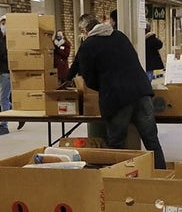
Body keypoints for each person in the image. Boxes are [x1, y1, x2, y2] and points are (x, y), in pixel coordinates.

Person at [68, 13, 167, 169]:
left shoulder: (88, 45)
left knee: (116, 143)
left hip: (117, 96)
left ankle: (118, 179)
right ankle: (162, 176)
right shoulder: (119, 35)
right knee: (151, 140)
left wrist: (102, 87)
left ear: (85, 31)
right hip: (141, 90)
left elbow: (88, 77)